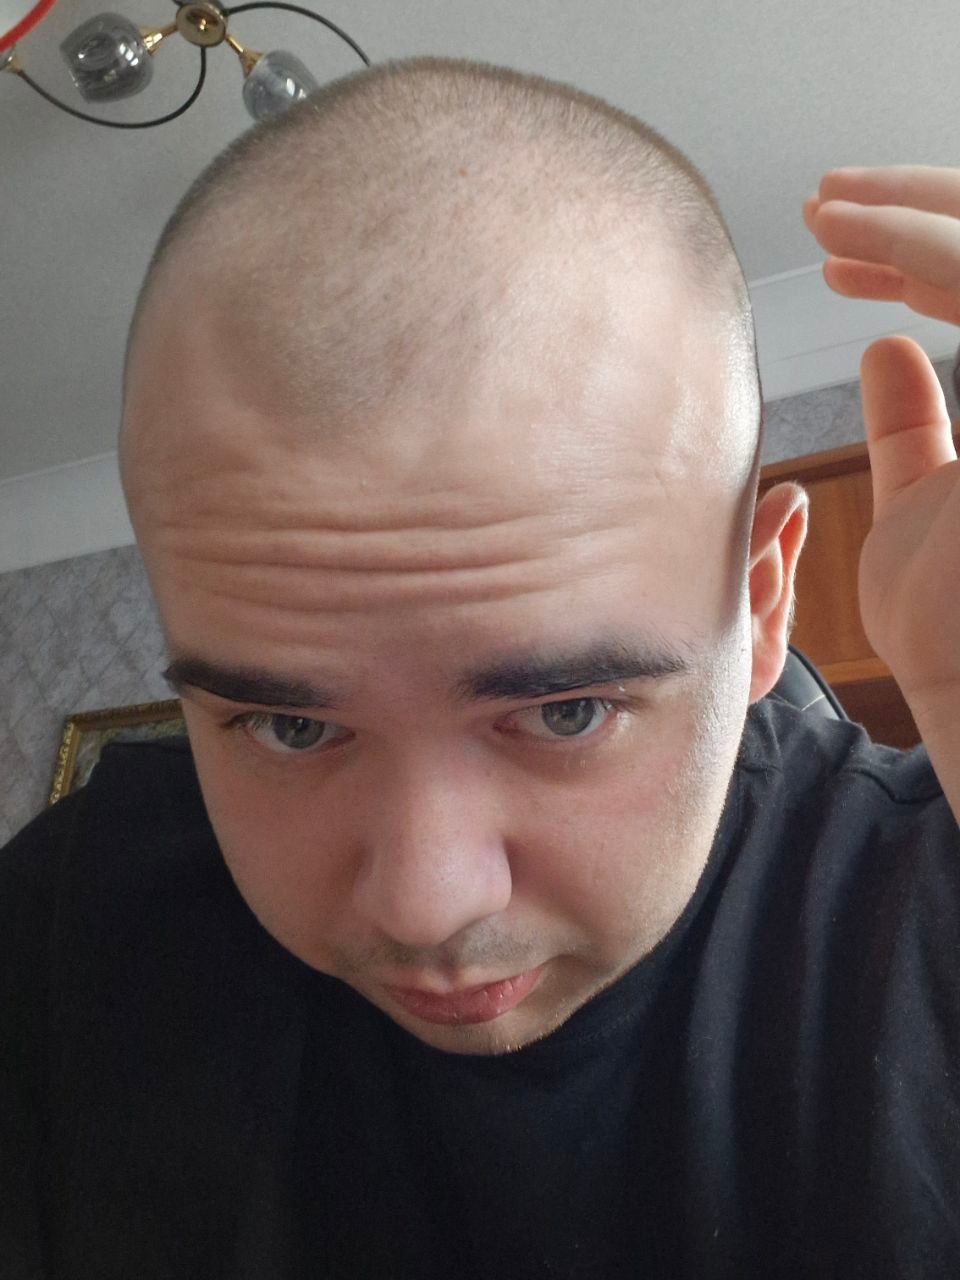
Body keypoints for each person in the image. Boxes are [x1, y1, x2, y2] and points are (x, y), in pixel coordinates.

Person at [2, 54, 959, 1280]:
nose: (427, 904)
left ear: (762, 601)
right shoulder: (64, 936)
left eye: (566, 710)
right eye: (289, 726)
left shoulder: (925, 910)